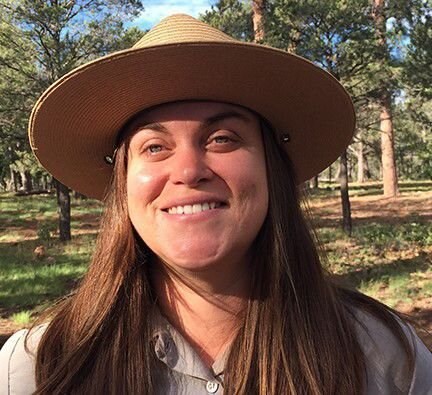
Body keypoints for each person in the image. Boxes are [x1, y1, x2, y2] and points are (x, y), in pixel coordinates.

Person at [0, 13, 431, 395]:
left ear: (270, 169)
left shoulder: (386, 358)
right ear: (124, 184)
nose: (189, 170)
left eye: (222, 138)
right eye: (153, 147)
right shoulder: (38, 368)